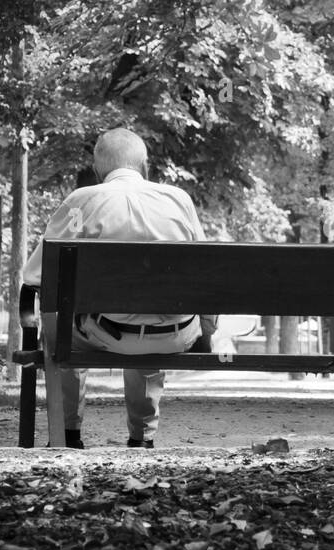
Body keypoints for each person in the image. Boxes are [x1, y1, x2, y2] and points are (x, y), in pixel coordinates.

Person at [22, 128, 229, 448]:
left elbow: (37, 275)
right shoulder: (178, 200)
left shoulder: (81, 201)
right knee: (151, 315)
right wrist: (207, 331)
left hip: (103, 332)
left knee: (62, 322)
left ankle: (68, 433)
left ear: (96, 172)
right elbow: (203, 273)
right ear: (145, 167)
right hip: (171, 335)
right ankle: (142, 436)